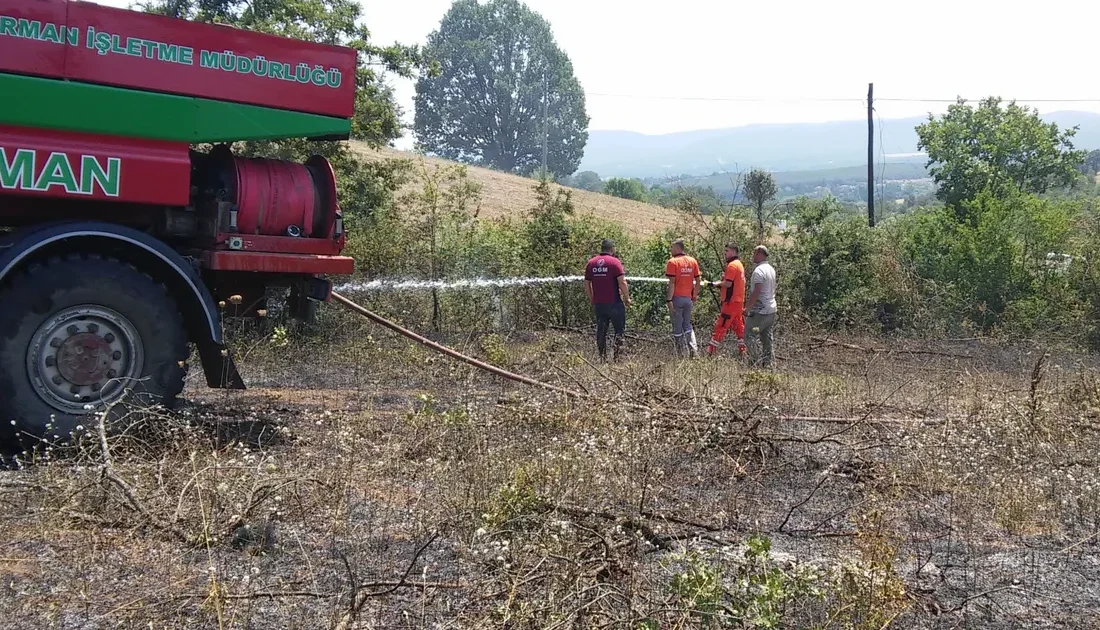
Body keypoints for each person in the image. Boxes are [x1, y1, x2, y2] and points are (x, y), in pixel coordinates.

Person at [584, 239, 630, 361]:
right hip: (614, 303)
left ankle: (602, 358)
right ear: (612, 249)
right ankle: (617, 357)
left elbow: (587, 283)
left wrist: (591, 298)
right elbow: (622, 282)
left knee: (601, 331)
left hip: (599, 304)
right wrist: (627, 298)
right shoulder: (615, 262)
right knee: (619, 331)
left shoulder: (591, 263)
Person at [706, 243, 747, 356]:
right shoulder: (739, 265)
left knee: (721, 326)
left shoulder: (732, 266)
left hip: (731, 303)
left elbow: (728, 284)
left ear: (733, 252)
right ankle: (744, 350)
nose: (725, 253)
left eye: (727, 251)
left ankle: (711, 352)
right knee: (739, 327)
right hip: (738, 302)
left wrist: (715, 284)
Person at [664, 239, 701, 358]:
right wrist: (694, 295)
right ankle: (693, 350)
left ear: (678, 248)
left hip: (677, 298)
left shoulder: (673, 262)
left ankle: (679, 354)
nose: (671, 250)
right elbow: (698, 280)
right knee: (687, 325)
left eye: (672, 247)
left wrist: (669, 300)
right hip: (688, 299)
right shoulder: (692, 261)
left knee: (677, 326)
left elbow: (672, 283)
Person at [744, 245, 778, 368]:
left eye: (754, 253)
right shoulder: (771, 269)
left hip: (760, 311)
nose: (753, 256)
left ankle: (755, 361)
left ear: (759, 253)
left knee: (749, 335)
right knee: (766, 336)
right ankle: (768, 363)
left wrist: (748, 308)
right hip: (771, 309)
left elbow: (757, 291)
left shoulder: (759, 271)